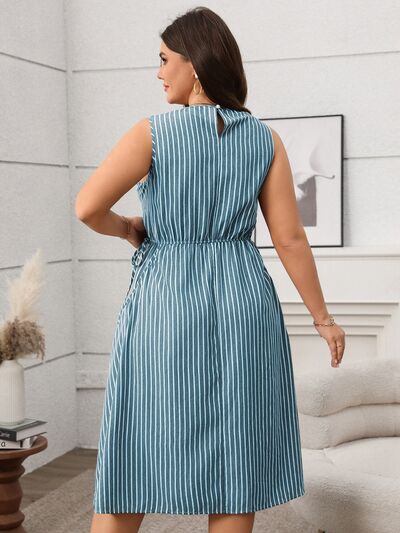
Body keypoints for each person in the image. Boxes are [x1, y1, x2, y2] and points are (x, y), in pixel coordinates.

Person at [75, 6, 346, 533]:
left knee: (137, 437)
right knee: (236, 448)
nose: (158, 73)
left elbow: (88, 208)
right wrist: (323, 319)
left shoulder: (153, 133)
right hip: (244, 298)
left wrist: (130, 228)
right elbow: (289, 238)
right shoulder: (264, 139)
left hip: (167, 297)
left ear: (194, 65)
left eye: (164, 60)